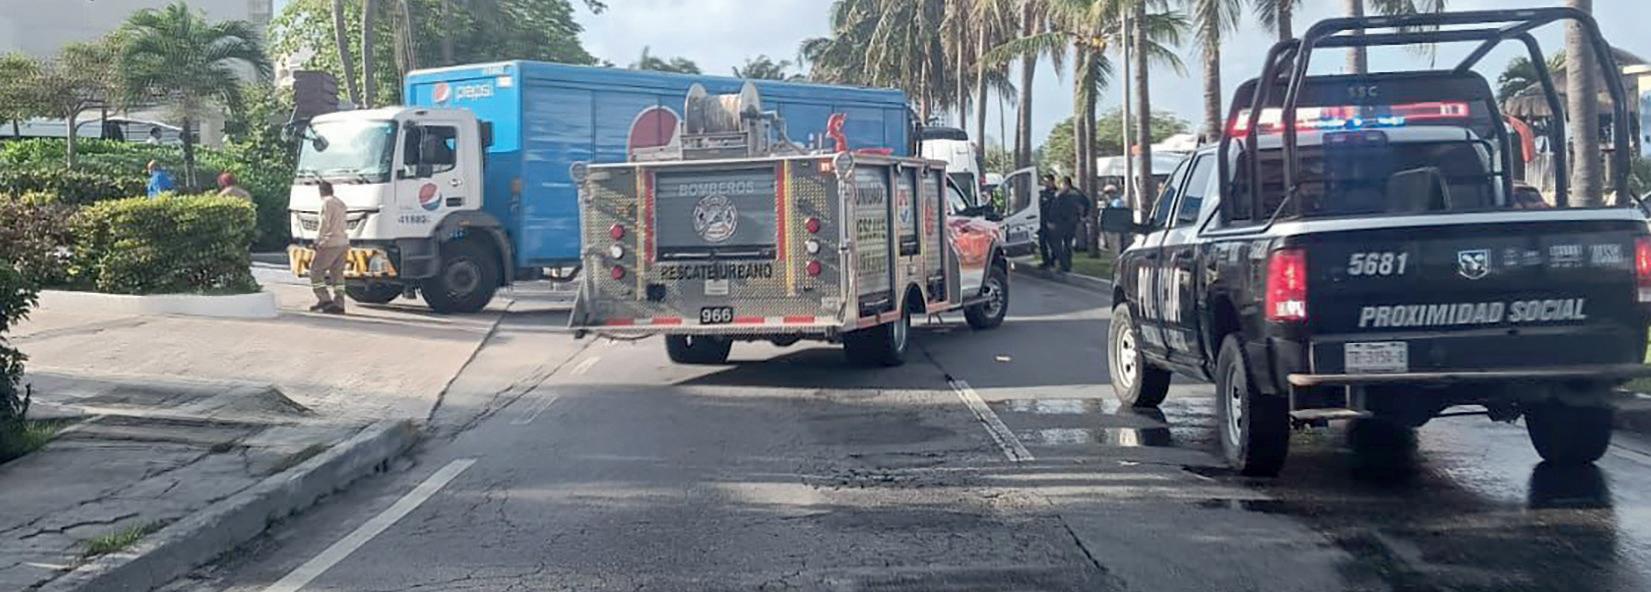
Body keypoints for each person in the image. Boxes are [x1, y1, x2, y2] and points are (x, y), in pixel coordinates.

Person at [310, 181, 350, 314]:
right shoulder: (341, 203)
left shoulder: (326, 203)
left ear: (321, 191)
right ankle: (339, 303)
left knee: (316, 272)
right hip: (343, 242)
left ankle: (324, 299)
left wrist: (317, 240)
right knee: (337, 274)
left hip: (330, 243)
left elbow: (324, 223)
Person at [1048, 176, 1091, 273]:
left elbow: (1054, 208)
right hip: (1072, 222)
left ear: (1064, 184)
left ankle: (1064, 264)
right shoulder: (1077, 193)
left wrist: (1051, 220)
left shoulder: (1060, 194)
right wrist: (1084, 216)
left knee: (1058, 244)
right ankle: (1066, 264)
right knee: (1067, 244)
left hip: (1061, 222)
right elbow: (1087, 203)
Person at [1036, 174, 1058, 269]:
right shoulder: (1043, 193)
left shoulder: (1056, 194)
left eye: (1047, 181)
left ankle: (1053, 260)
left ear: (1052, 182)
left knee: (1053, 243)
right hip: (1043, 222)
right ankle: (1046, 261)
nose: (1045, 183)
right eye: (1044, 181)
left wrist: (1053, 221)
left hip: (1052, 222)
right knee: (1042, 242)